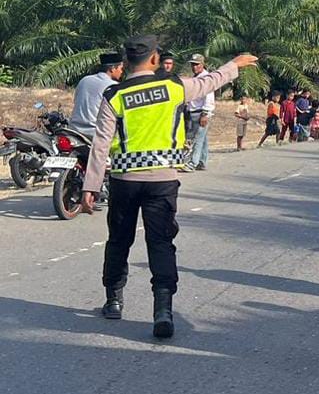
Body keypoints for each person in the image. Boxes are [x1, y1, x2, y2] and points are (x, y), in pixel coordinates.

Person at [82, 36, 256, 338]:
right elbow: (210, 82)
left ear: (126, 63)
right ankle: (162, 309)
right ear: (153, 60)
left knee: (118, 241)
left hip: (124, 182)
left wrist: (91, 186)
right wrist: (235, 64)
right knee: (161, 243)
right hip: (162, 182)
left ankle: (113, 301)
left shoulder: (115, 95)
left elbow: (100, 144)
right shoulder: (174, 87)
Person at [69, 51, 125, 138]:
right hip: (96, 132)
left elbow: (76, 100)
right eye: (121, 68)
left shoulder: (85, 80)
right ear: (112, 68)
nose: (122, 71)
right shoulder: (113, 86)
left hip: (74, 129)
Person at [182, 54, 215, 171]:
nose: (194, 67)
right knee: (203, 139)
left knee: (197, 139)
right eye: (193, 64)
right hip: (193, 111)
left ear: (202, 64)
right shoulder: (196, 77)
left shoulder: (206, 78)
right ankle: (202, 161)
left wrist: (205, 113)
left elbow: (209, 97)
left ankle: (192, 163)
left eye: (197, 64)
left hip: (201, 112)